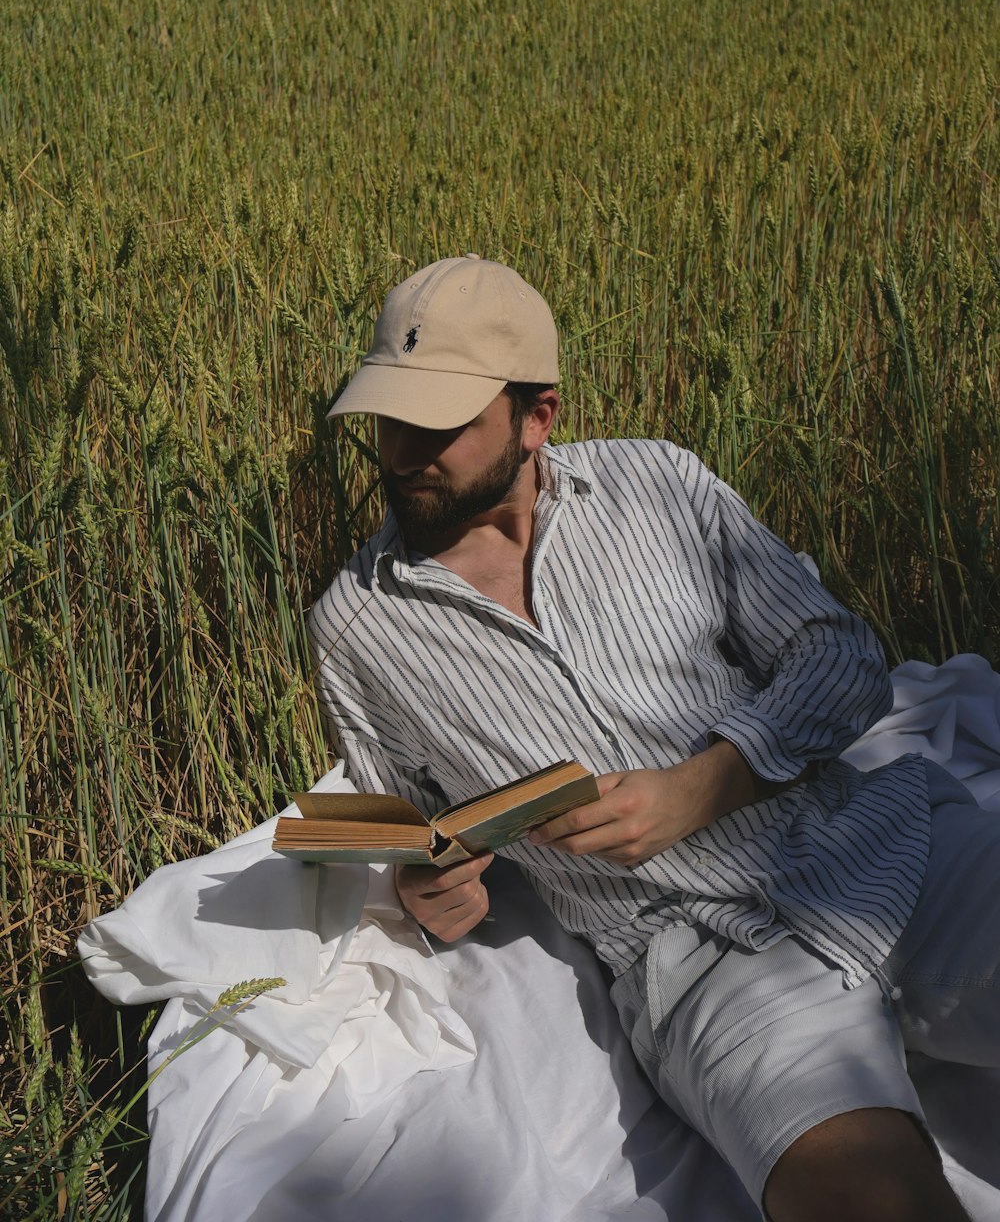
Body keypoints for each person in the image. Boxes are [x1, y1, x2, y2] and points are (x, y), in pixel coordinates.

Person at [310, 254, 999, 1222]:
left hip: (880, 841)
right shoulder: (354, 625)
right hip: (699, 962)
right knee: (863, 1200)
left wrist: (709, 782)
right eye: (388, 417)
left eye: (441, 423)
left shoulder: (659, 482)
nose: (403, 449)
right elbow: (415, 827)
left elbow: (842, 654)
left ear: (537, 415)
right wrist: (426, 890)